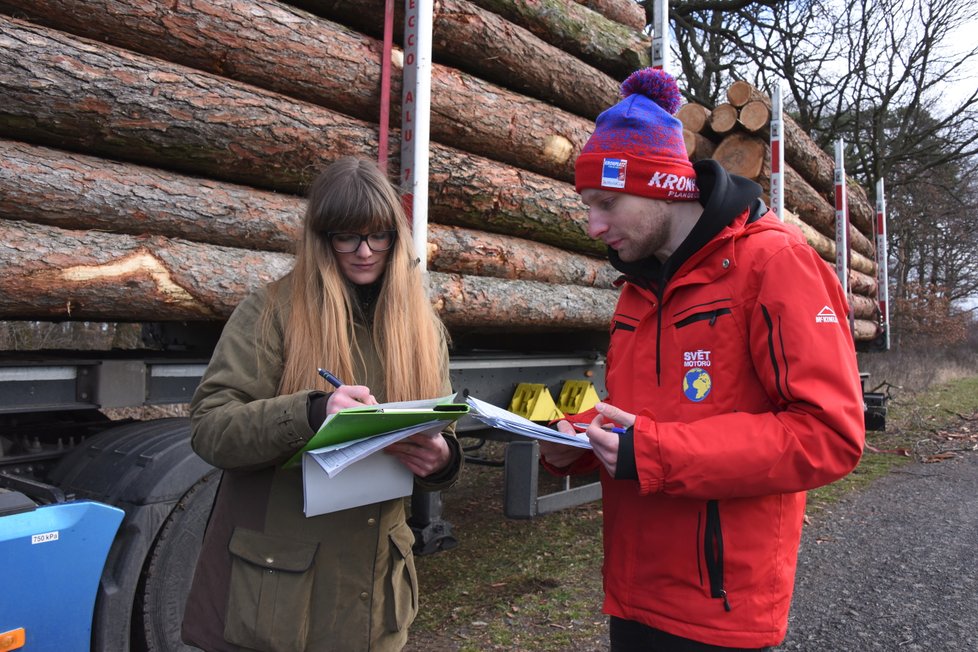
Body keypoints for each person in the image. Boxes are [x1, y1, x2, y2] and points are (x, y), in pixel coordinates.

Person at [538, 68, 866, 651]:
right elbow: (643, 417)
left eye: (607, 203)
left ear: (664, 186)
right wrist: (581, 443)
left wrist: (653, 453)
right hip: (634, 591)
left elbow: (829, 434)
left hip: (720, 607)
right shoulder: (637, 288)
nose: (594, 225)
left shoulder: (775, 264)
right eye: (588, 205)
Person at [181, 156, 462, 652]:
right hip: (281, 597)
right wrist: (311, 414)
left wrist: (442, 460)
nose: (363, 251)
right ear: (320, 237)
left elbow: (440, 435)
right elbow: (211, 429)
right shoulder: (270, 312)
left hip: (374, 598)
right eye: (345, 236)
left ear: (396, 236)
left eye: (377, 235)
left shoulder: (421, 326)